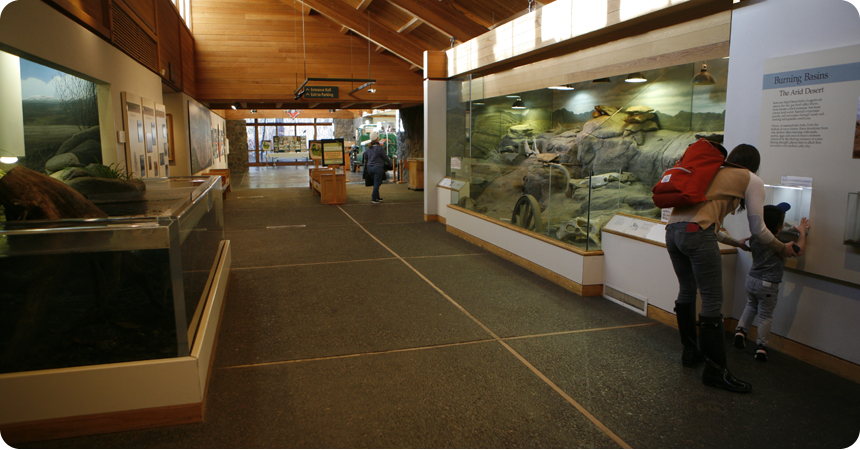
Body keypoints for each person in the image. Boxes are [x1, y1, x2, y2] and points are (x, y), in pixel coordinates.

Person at [665, 143, 797, 393]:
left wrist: (734, 242)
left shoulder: (713, 171)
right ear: (754, 164)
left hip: (672, 232)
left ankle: (690, 353)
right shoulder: (750, 178)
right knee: (713, 301)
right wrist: (782, 248)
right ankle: (715, 371)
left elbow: (700, 223)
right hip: (696, 234)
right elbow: (758, 229)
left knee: (687, 291)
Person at [734, 203, 809, 362]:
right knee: (765, 316)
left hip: (752, 279)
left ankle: (741, 331)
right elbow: (799, 250)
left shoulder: (754, 238)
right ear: (780, 227)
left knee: (750, 305)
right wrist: (802, 233)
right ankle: (761, 347)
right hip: (768, 284)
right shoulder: (780, 243)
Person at [364, 131, 391, 204]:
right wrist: (390, 163)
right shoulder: (379, 148)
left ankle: (377, 197)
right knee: (377, 183)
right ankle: (373, 198)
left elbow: (365, 157)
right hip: (378, 168)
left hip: (370, 168)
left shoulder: (368, 148)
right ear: (376, 139)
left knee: (376, 182)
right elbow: (385, 157)